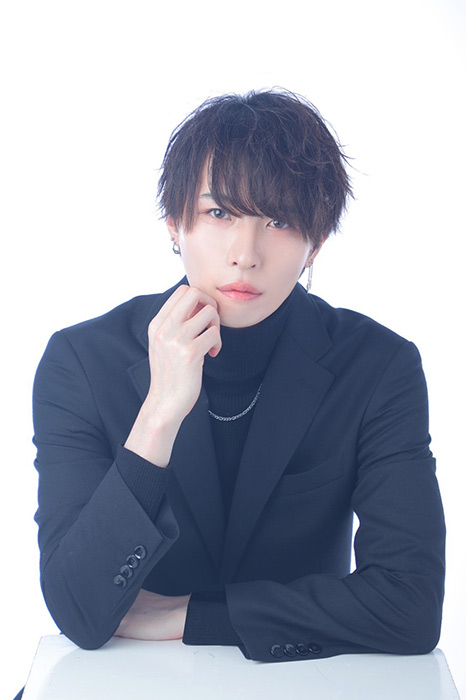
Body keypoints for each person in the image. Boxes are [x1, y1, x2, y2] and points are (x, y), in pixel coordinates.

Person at [33, 89, 445, 663]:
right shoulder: (81, 361)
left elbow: (410, 606)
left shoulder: (377, 367)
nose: (245, 254)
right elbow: (78, 608)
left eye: (280, 221)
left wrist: (193, 615)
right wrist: (158, 415)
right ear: (174, 223)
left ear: (315, 244)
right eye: (219, 213)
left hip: (306, 686)